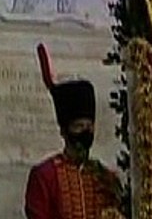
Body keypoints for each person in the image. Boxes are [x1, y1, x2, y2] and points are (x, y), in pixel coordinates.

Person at [25, 44, 124, 219]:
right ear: (64, 131)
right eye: (78, 126)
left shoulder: (106, 177)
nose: (85, 133)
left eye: (89, 127)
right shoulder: (44, 175)